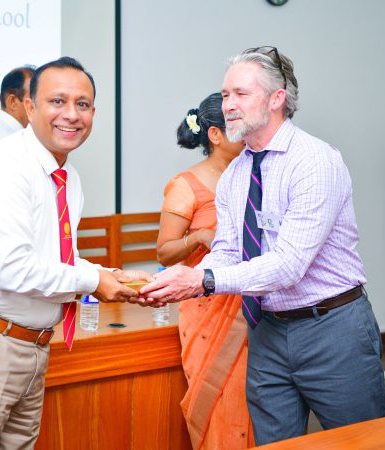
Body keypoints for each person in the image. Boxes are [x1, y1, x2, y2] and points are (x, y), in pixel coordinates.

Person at [140, 47, 385, 446]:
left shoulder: (314, 161)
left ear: (277, 99)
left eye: (241, 94)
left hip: (332, 329)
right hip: (268, 330)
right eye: (225, 95)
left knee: (362, 442)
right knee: (272, 443)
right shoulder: (236, 174)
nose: (229, 105)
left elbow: (289, 265)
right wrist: (186, 278)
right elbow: (227, 250)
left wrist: (203, 280)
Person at [0, 56, 150, 450]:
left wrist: (108, 273)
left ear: (93, 113)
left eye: (82, 104)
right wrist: (92, 280)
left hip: (31, 348)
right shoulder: (4, 164)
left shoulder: (67, 177)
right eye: (57, 101)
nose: (71, 114)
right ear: (29, 107)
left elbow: (51, 259)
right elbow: (11, 268)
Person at [157, 93, 252, 450]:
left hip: (253, 306)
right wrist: (198, 237)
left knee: (253, 403)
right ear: (215, 135)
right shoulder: (186, 185)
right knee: (220, 402)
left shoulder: (254, 175)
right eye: (239, 128)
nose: (249, 135)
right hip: (207, 310)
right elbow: (164, 252)